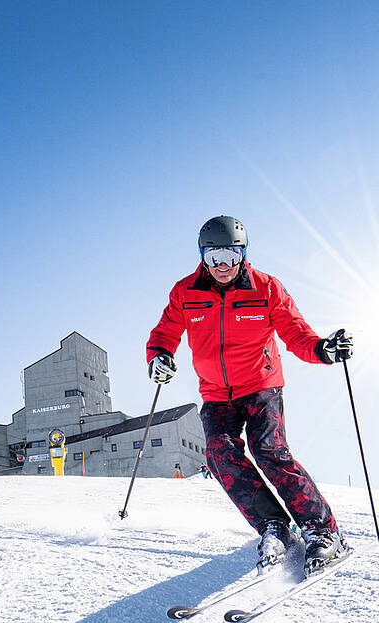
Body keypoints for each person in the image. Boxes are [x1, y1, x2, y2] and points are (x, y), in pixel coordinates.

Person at [146, 215, 353, 575]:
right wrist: (158, 357)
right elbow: (165, 333)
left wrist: (322, 349)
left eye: (230, 255)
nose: (222, 266)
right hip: (215, 392)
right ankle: (274, 525)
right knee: (220, 454)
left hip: (261, 385)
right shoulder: (185, 292)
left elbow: (296, 332)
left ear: (243, 254)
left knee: (269, 450)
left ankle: (323, 530)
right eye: (213, 257)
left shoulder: (266, 288)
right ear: (202, 256)